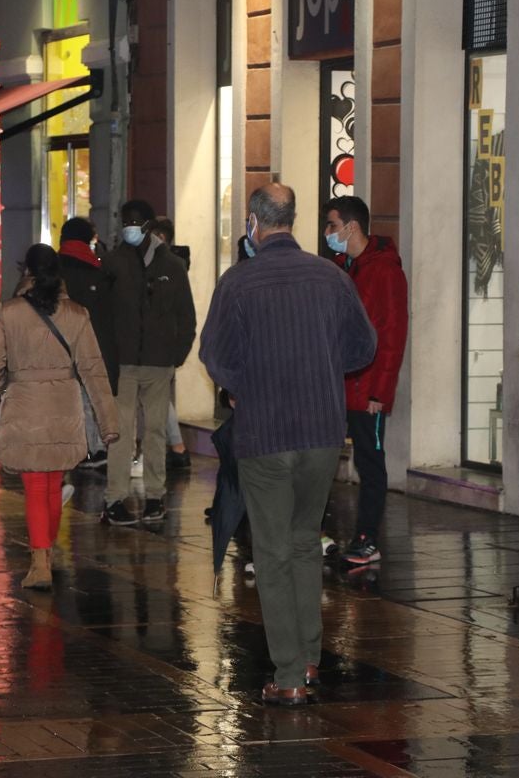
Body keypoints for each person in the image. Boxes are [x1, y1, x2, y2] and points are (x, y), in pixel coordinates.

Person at [200, 183, 376, 706]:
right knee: (304, 541)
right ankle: (312, 657)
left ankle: (289, 675)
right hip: (322, 432)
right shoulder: (331, 277)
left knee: (273, 552)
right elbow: (363, 346)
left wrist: (240, 387)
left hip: (266, 433)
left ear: (255, 221)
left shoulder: (238, 282)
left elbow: (215, 354)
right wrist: (320, 372)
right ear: (293, 219)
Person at [0, 244, 119, 590]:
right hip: (63, 408)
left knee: (35, 486)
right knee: (53, 483)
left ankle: (40, 562)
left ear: (26, 272)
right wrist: (108, 422)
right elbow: (94, 371)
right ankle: (46, 551)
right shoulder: (76, 314)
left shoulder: (10, 313)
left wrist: (3, 387)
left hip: (25, 406)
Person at [322, 196, 409, 566]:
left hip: (367, 389)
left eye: (331, 225)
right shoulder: (348, 267)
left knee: (370, 463)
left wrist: (380, 392)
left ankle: (367, 539)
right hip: (340, 385)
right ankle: (320, 533)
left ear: (351, 227)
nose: (328, 233)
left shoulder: (384, 270)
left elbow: (392, 335)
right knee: (321, 458)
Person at [99, 199, 196, 526]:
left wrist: (176, 355)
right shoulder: (113, 264)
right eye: (125, 221)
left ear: (148, 227)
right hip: (123, 364)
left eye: (134, 222)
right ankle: (115, 498)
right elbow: (103, 317)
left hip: (158, 364)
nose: (129, 227)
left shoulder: (171, 266)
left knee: (155, 430)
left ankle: (155, 496)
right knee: (120, 433)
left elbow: (187, 316)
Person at [55, 216, 112, 469]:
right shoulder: (96, 268)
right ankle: (94, 448)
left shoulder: (53, 269)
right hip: (91, 343)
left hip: (58, 346)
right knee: (89, 398)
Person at [148, 216, 192, 474]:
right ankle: (177, 448)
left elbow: (182, 313)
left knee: (159, 399)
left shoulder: (171, 267)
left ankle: (177, 448)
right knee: (160, 399)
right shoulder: (168, 265)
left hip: (162, 346)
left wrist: (179, 350)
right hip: (160, 346)